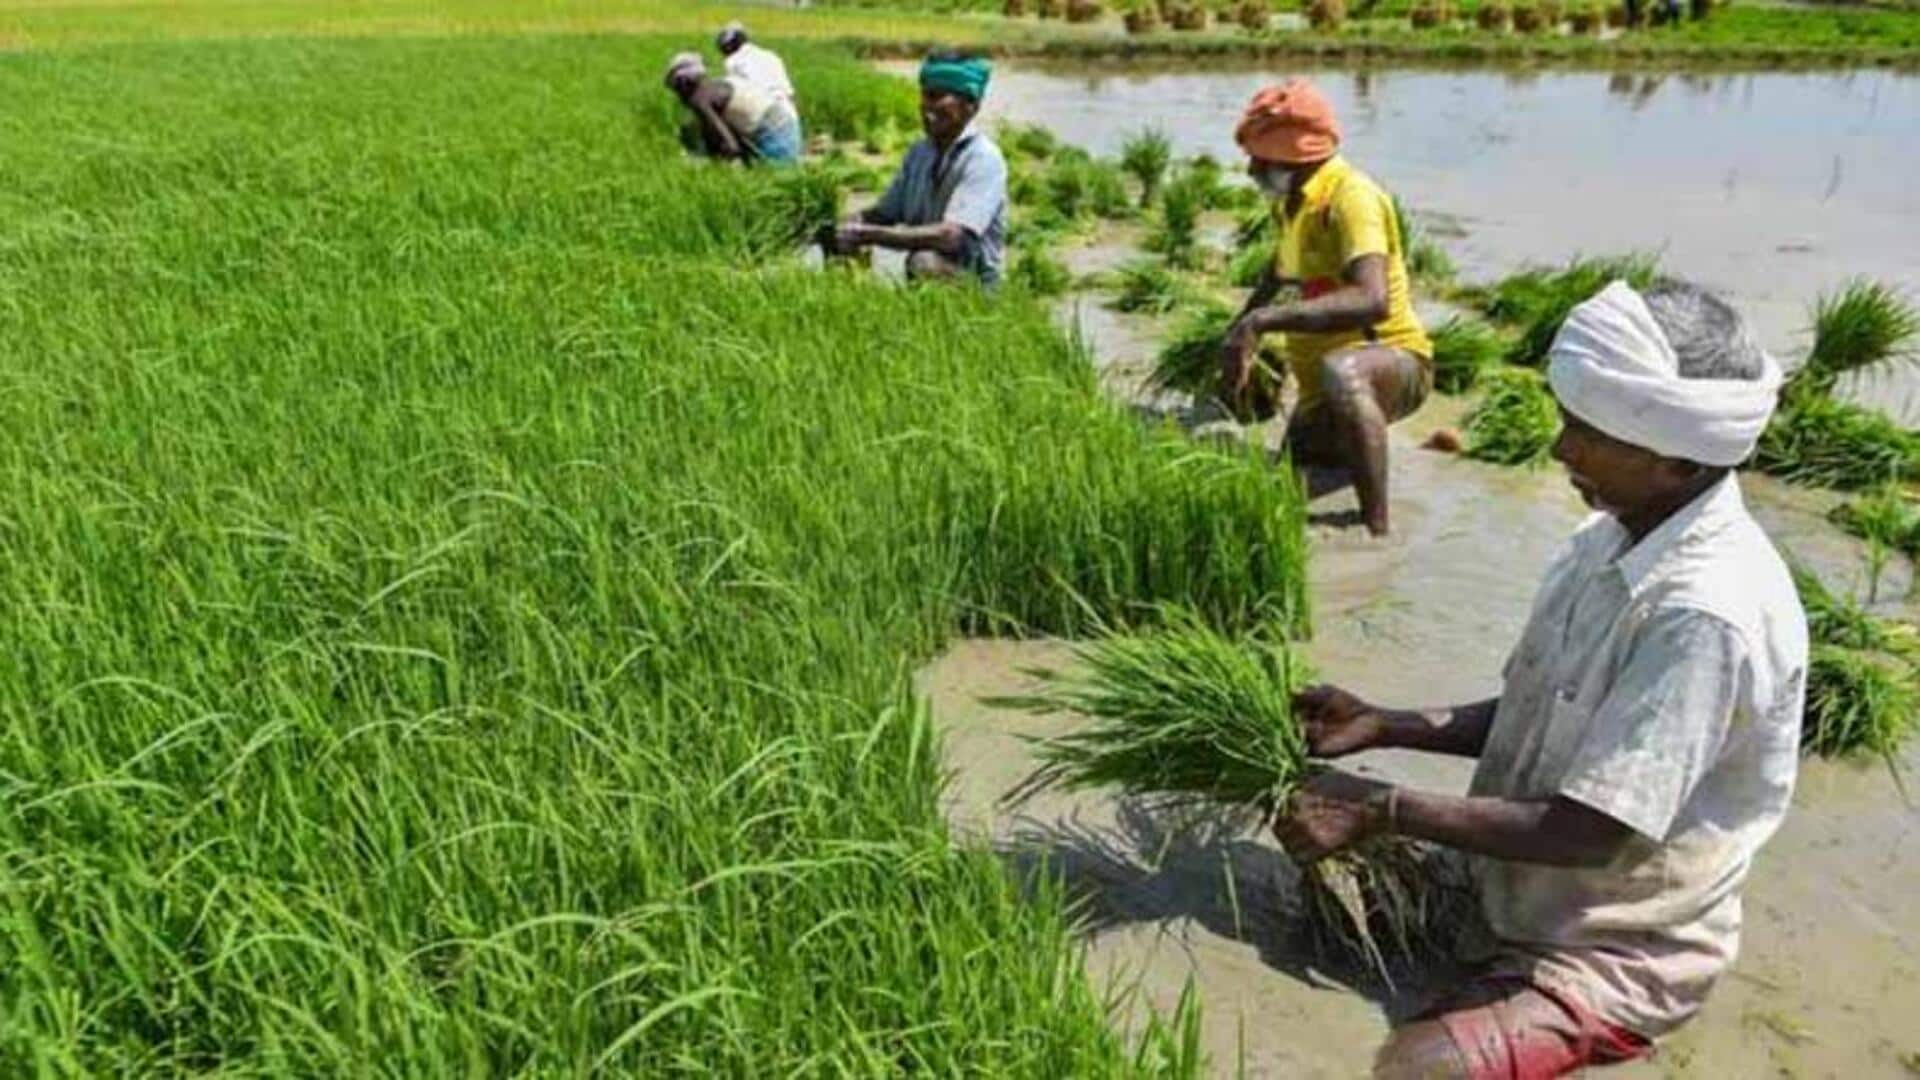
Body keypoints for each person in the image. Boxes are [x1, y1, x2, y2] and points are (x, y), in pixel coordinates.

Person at [1273, 280, 1808, 1079]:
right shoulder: (1608, 537)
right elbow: (1540, 713)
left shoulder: (1706, 615)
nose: (1559, 451)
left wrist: (1385, 809)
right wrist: (1384, 723)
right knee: (1300, 883)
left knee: (1417, 1070)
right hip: (1502, 887)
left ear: (1672, 456)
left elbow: (1588, 830)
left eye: (1586, 432)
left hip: (1612, 942)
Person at [1224, 78, 1432, 537]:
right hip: (1324, 389)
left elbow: (1372, 299)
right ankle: (1367, 451)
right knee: (1294, 473)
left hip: (1394, 362)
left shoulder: (1349, 197)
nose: (1253, 170)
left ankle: (1377, 530)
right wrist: (1235, 334)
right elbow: (1276, 277)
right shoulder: (1293, 204)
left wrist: (1263, 322)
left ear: (1295, 156)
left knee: (1345, 372)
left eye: (1262, 159)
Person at [824, 52, 1007, 286]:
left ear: (971, 105)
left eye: (937, 97)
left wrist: (868, 234)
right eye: (925, 96)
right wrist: (851, 222)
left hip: (974, 281)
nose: (927, 107)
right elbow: (885, 214)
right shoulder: (920, 153)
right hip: (932, 263)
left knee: (923, 262)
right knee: (838, 237)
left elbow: (951, 237)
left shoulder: (983, 159)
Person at [663, 51, 801, 166]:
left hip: (775, 141)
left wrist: (713, 164)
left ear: (684, 84)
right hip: (788, 128)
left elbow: (730, 146)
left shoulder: (700, 99)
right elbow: (712, 131)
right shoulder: (717, 85)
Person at [716, 22, 796, 110]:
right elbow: (790, 94)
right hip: (787, 108)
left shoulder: (733, 61)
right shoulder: (771, 56)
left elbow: (735, 95)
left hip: (762, 109)